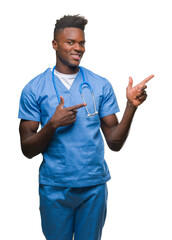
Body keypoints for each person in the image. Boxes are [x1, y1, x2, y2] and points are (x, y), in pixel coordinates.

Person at [18, 15, 154, 240]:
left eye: (81, 43)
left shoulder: (100, 85)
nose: (78, 48)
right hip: (55, 187)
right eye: (70, 42)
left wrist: (131, 107)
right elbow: (27, 149)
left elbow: (114, 143)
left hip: (93, 187)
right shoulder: (35, 88)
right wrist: (52, 124)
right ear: (55, 44)